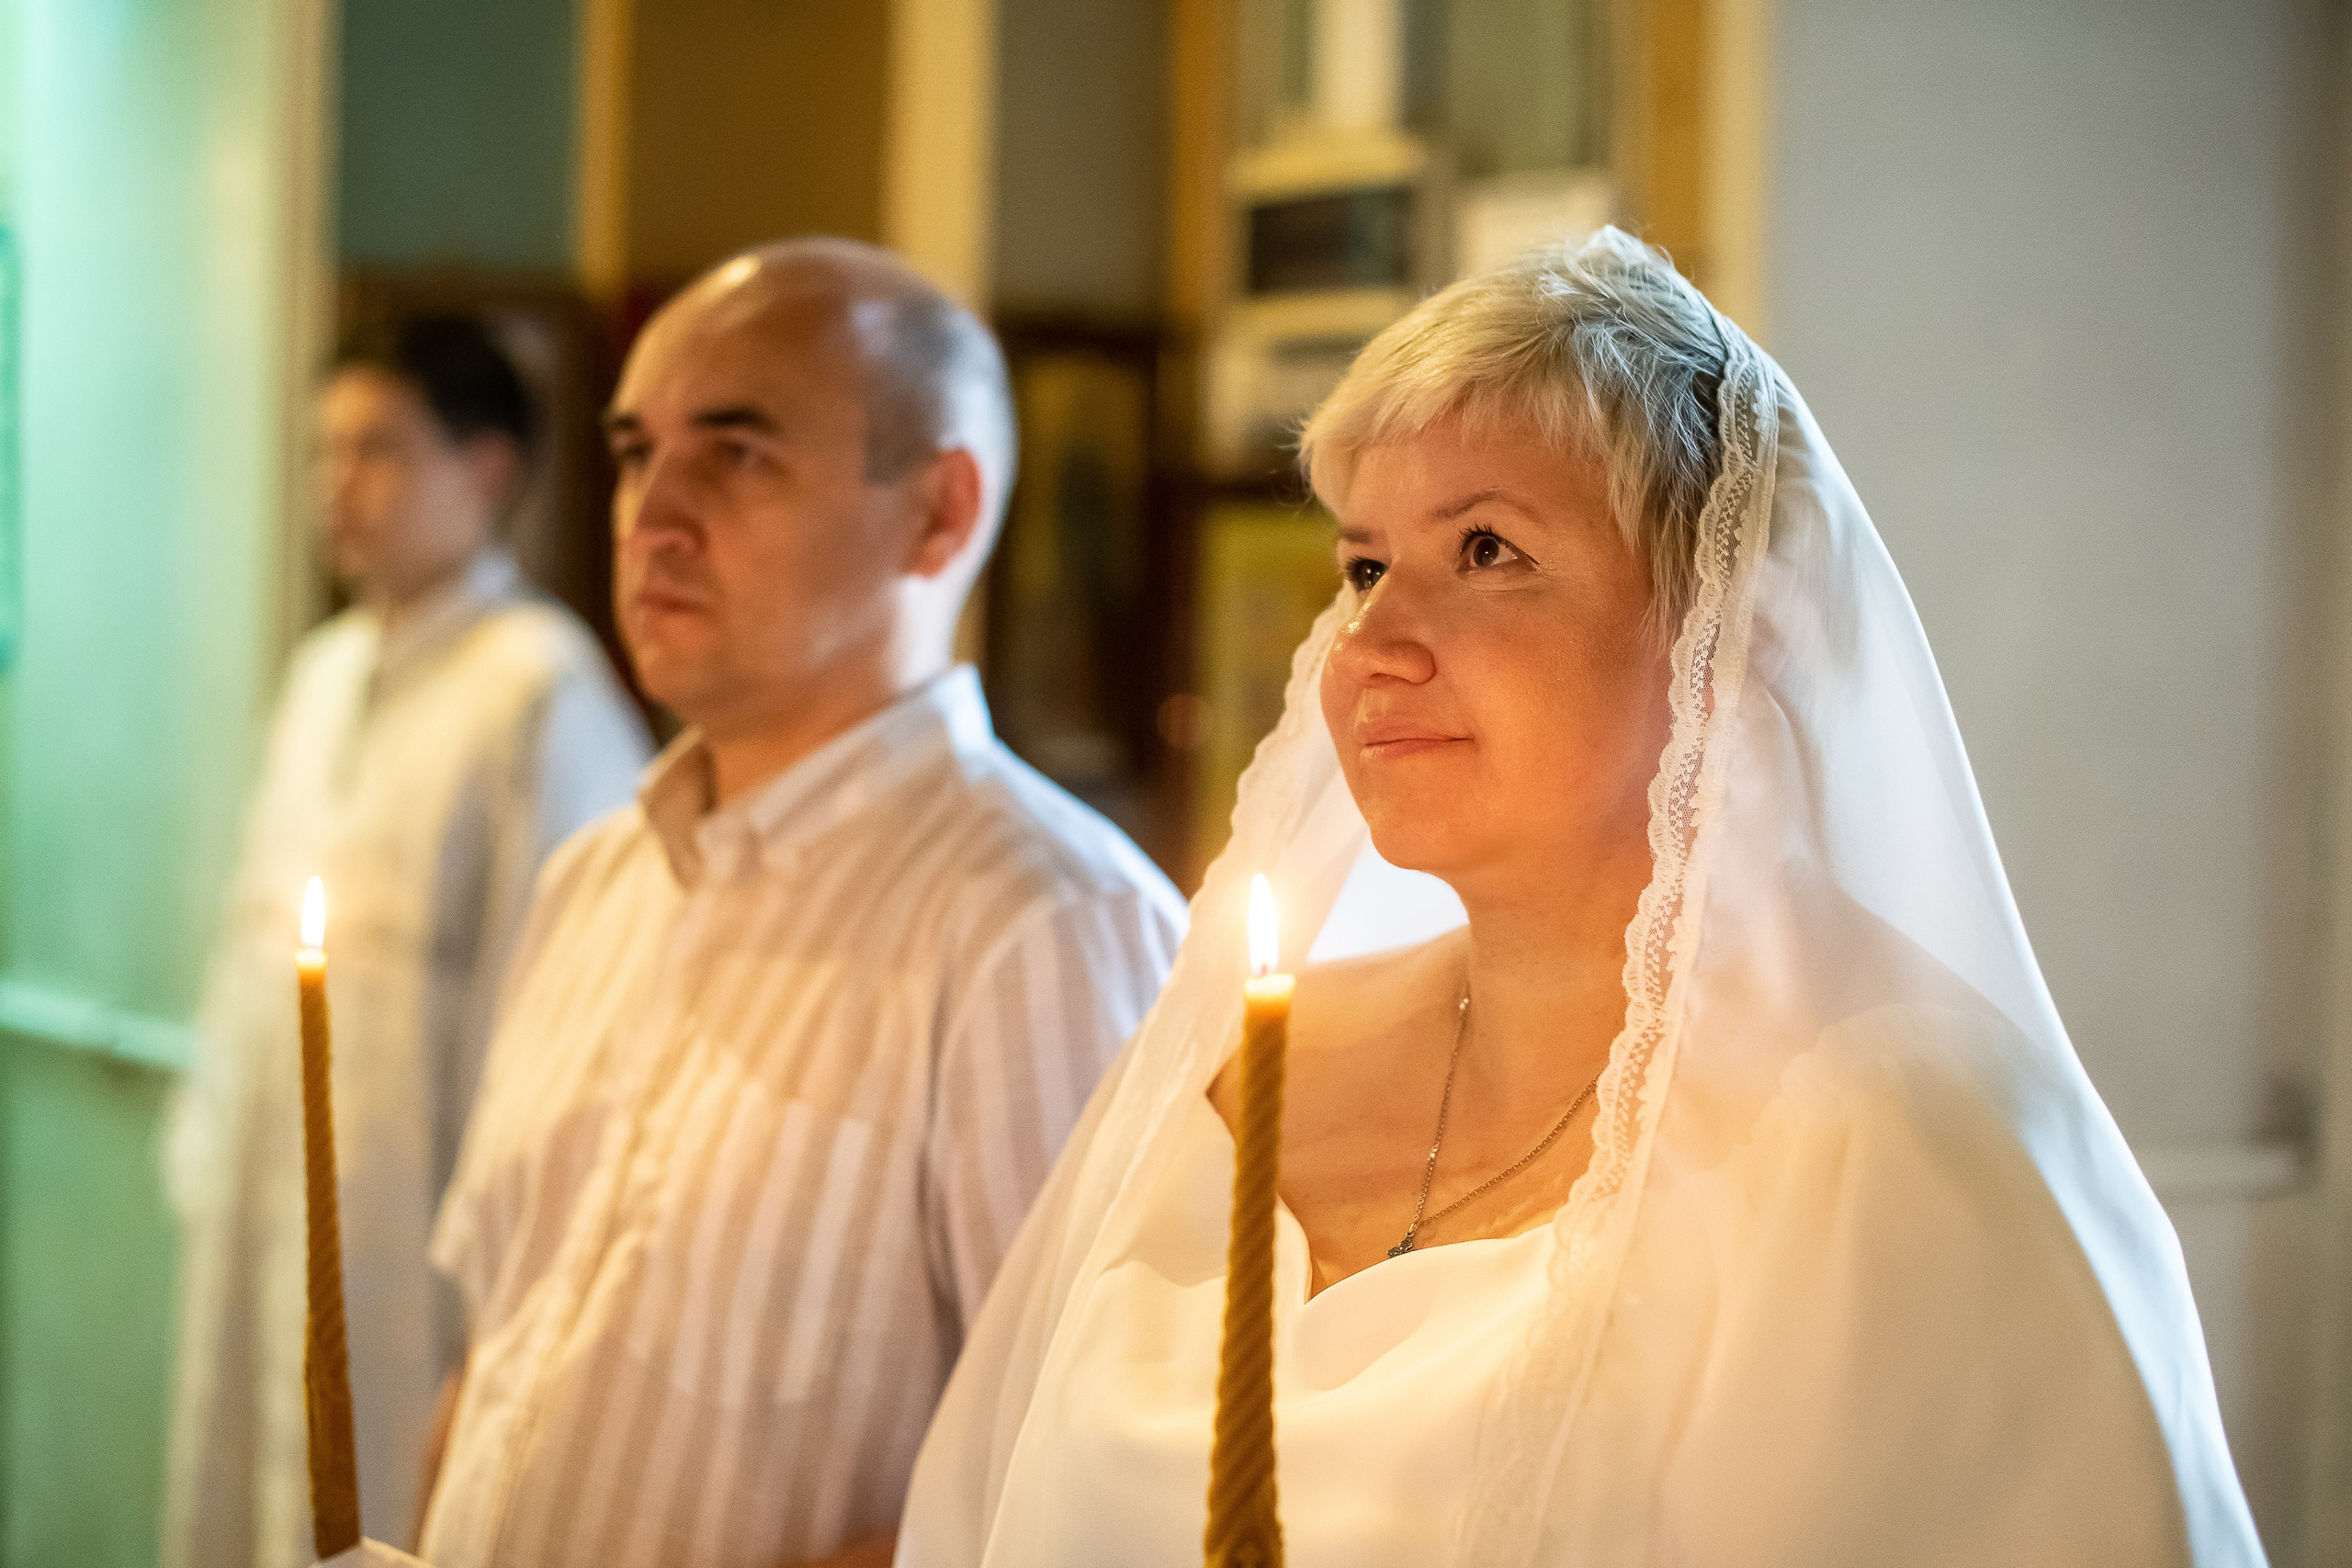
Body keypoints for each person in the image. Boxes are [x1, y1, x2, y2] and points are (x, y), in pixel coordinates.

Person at [896, 227, 2267, 1567]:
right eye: (1365, 565)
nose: (1372, 644)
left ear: (1727, 630)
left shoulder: (1894, 1150)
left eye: (1486, 550)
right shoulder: (1235, 1059)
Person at [410, 238, 1185, 1568]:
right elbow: (499, 1352)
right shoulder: (597, 876)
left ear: (939, 511)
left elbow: (1080, 1484)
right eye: (637, 452)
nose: (652, 514)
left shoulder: (1042, 921)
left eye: (736, 453)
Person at [163, 316, 651, 1568]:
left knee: (379, 1514)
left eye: (378, 449)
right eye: (327, 449)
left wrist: (493, 1291)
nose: (339, 487)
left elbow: (550, 1014)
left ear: (487, 471)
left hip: (415, 1256)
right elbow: (247, 938)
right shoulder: (327, 670)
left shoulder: (540, 689)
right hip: (271, 1204)